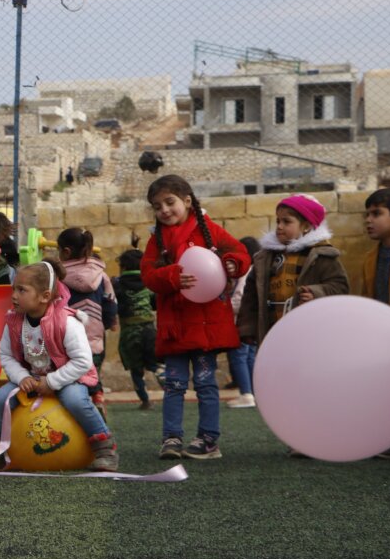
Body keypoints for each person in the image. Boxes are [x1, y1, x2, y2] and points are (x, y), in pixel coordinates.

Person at [141, 175, 250, 461]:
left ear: (187, 201)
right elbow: (148, 275)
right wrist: (173, 275)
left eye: (169, 202)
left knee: (205, 383)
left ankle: (208, 439)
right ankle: (171, 438)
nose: (164, 210)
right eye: (157, 206)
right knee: (174, 384)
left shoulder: (211, 231)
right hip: (176, 329)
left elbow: (241, 253)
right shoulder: (157, 240)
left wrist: (230, 264)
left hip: (205, 328)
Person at [0, 259, 119, 471]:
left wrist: (53, 381)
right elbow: (6, 355)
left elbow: (83, 361)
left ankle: (105, 448)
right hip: (30, 377)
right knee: (0, 399)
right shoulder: (13, 322)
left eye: (22, 290)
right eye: (14, 289)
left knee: (74, 399)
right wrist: (22, 377)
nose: (14, 296)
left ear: (45, 296)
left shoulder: (67, 322)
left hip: (68, 378)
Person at [237, 196, 349, 412]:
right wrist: (248, 328)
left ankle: (313, 430)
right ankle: (292, 432)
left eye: (287, 222)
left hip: (308, 337)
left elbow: (340, 286)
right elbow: (251, 295)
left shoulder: (323, 256)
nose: (279, 227)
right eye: (277, 221)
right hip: (274, 333)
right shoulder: (265, 258)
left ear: (306, 226)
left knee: (310, 384)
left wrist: (317, 292)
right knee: (283, 385)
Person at [357, 188, 390, 460]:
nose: (368, 220)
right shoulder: (369, 259)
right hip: (387, 339)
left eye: (376, 213)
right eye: (367, 214)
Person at [57, 227, 118, 419]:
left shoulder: (58, 277)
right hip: (95, 335)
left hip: (67, 336)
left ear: (66, 252)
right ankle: (97, 397)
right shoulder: (101, 275)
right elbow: (110, 302)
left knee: (71, 375)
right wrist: (109, 322)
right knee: (92, 372)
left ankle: (75, 409)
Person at [112, 247, 163, 410]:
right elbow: (155, 303)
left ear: (124, 267)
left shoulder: (117, 285)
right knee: (156, 365)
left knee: (136, 369)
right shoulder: (149, 283)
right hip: (149, 331)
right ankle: (171, 392)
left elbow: (114, 305)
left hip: (129, 333)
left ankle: (145, 400)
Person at [224, 236, 261, 407]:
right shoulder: (258, 270)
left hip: (240, 322)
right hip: (253, 322)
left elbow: (239, 297)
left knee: (238, 356)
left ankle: (246, 393)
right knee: (250, 356)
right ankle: (255, 392)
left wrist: (223, 310)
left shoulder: (246, 272)